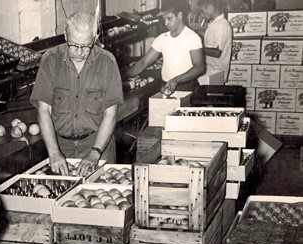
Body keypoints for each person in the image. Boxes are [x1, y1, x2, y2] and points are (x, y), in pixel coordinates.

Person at [30, 12, 124, 176]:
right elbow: (43, 110)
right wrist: (53, 152)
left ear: (94, 39)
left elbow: (111, 114)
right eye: (74, 45)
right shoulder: (50, 60)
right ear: (66, 35)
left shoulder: (107, 62)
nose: (79, 52)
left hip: (98, 144)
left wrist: (95, 153)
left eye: (86, 46)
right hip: (60, 148)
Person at [126, 0, 205, 94]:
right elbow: (143, 62)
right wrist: (124, 76)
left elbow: (199, 67)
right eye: (164, 19)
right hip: (166, 86)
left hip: (187, 88)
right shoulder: (162, 38)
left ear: (179, 15)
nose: (166, 23)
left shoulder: (192, 37)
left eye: (169, 18)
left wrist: (176, 79)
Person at [197, 0, 233, 82]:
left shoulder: (220, 25)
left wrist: (197, 49)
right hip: (212, 73)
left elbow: (217, 52)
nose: (202, 15)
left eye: (202, 11)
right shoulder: (214, 24)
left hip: (216, 74)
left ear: (210, 7)